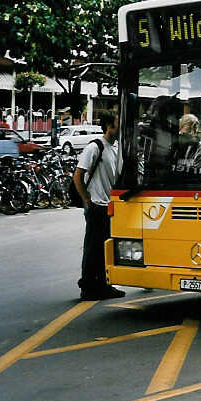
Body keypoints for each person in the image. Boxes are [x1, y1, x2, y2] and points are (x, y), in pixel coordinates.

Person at [74, 111, 125, 301]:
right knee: (93, 248)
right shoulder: (95, 147)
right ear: (109, 126)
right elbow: (78, 176)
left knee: (106, 248)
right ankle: (87, 287)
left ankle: (104, 285)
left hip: (111, 206)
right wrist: (87, 200)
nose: (121, 128)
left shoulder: (117, 148)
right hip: (97, 205)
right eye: (118, 124)